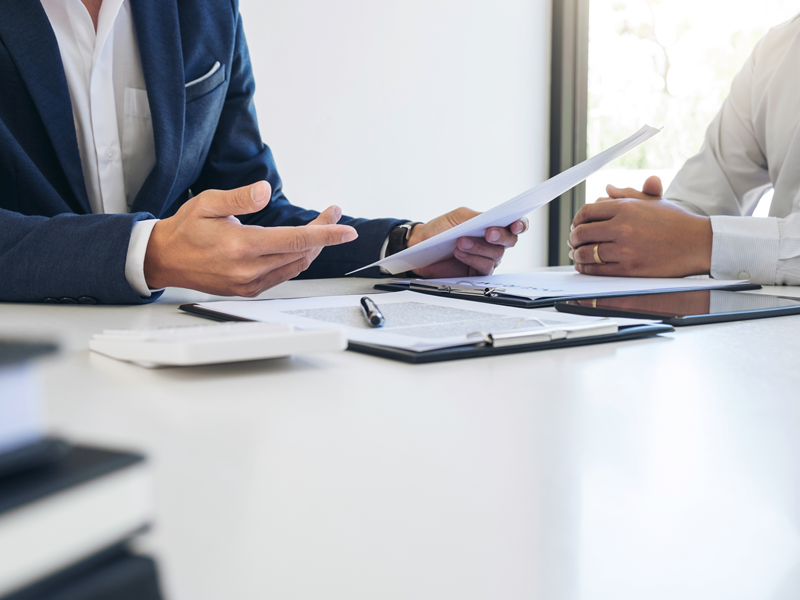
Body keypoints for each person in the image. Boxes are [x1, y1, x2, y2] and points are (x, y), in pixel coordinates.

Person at [0, 0, 527, 305]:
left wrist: (405, 248)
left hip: (166, 369)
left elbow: (252, 212)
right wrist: (148, 251)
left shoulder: (205, 9)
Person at [569, 13, 800, 286]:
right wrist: (632, 227)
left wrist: (703, 242)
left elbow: (693, 235)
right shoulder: (776, 52)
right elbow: (705, 196)